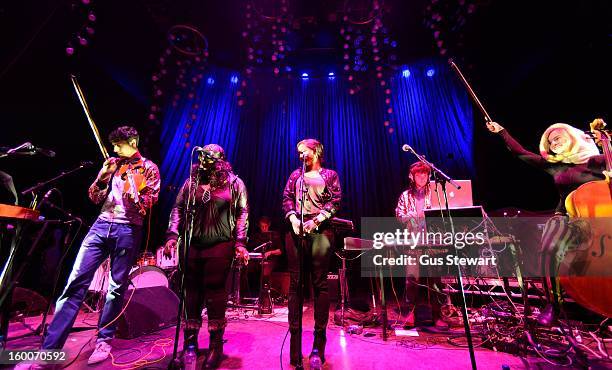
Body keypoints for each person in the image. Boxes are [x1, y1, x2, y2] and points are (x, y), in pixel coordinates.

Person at [18, 126, 161, 368]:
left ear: (133, 142)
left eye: (119, 144)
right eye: (113, 144)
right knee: (75, 283)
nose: (114, 149)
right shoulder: (113, 165)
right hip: (100, 226)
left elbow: (148, 205)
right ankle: (49, 350)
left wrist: (134, 190)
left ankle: (104, 341)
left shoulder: (149, 168)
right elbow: (94, 197)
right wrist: (104, 176)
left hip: (128, 230)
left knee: (115, 288)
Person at [486, 120, 606, 325]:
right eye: (550, 142)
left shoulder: (597, 161)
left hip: (597, 220)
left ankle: (601, 301)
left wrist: (605, 140)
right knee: (550, 244)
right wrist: (502, 132)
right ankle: (553, 304)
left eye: (557, 138)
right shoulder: (555, 166)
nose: (553, 144)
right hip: (566, 214)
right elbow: (521, 152)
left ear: (572, 137)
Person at [164, 144, 249, 369]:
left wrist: (240, 242)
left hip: (220, 243)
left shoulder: (234, 183)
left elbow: (242, 212)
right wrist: (172, 235)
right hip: (192, 244)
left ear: (220, 160)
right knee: (191, 291)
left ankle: (215, 346)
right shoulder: (191, 183)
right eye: (201, 158)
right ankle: (190, 344)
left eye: (208, 158)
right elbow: (178, 209)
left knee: (214, 291)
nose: (203, 161)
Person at [282, 138, 341, 367]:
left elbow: (335, 201)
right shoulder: (294, 175)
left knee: (320, 284)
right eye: (298, 152)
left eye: (304, 151)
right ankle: (295, 351)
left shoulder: (330, 175)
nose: (300, 156)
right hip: (295, 232)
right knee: (295, 285)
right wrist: (293, 218)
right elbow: (286, 198)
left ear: (316, 152)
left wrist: (317, 220)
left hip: (321, 233)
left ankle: (318, 346)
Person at [395, 162, 448, 329]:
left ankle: (437, 315)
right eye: (419, 174)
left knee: (435, 280)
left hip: (433, 242)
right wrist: (407, 216)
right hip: (413, 242)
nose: (422, 177)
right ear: (412, 177)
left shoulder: (435, 193)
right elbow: (399, 216)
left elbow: (444, 215)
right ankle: (410, 314)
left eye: (425, 174)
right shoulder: (405, 196)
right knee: (412, 280)